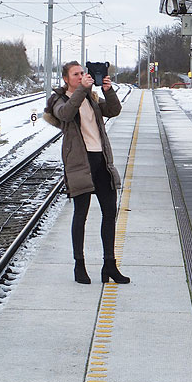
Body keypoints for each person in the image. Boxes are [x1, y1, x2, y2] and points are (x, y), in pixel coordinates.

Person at [44, 61, 130, 285]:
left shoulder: (91, 98)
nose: (81, 76)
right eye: (76, 74)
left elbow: (113, 111)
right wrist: (82, 89)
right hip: (80, 162)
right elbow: (65, 115)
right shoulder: (59, 100)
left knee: (109, 212)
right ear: (66, 79)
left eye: (82, 72)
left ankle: (109, 265)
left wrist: (108, 91)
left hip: (101, 159)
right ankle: (79, 265)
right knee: (80, 213)